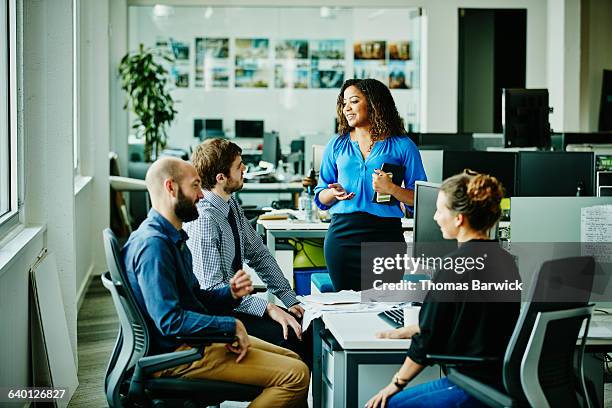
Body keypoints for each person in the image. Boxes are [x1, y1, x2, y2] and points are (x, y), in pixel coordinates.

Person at [122, 157, 309, 408]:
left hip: (194, 342)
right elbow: (170, 320)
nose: (201, 195)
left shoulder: (172, 235)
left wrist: (230, 293)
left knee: (294, 358)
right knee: (295, 375)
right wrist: (230, 326)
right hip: (181, 354)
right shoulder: (154, 245)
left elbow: (196, 297)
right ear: (171, 188)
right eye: (195, 186)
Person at [365, 170, 521, 408]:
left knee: (387, 405)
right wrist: (410, 329)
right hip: (502, 380)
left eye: (440, 210)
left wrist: (394, 384)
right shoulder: (505, 260)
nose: (436, 217)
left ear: (459, 218)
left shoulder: (454, 267)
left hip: (471, 384)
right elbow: (473, 318)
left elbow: (427, 342)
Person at [184, 138, 311, 367]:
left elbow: (259, 255)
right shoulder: (204, 220)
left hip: (235, 305)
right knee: (293, 338)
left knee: (304, 328)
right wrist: (268, 307)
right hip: (218, 315)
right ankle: (282, 388)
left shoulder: (230, 204)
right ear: (220, 178)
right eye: (239, 166)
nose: (245, 169)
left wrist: (289, 300)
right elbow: (212, 290)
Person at [314, 78, 427, 291]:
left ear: (374, 104)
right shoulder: (337, 144)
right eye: (344, 103)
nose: (346, 108)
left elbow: (421, 200)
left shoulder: (403, 145)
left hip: (386, 237)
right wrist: (332, 193)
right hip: (342, 237)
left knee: (382, 308)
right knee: (345, 307)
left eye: (354, 101)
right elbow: (320, 195)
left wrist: (392, 189)